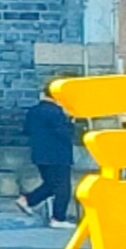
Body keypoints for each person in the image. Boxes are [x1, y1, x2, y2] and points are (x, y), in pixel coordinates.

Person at [23, 96, 78, 224]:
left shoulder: (33, 111)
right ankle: (58, 218)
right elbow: (64, 133)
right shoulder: (56, 112)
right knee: (63, 187)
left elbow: (26, 131)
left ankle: (27, 200)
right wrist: (70, 121)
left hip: (39, 154)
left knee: (51, 184)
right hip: (58, 154)